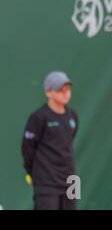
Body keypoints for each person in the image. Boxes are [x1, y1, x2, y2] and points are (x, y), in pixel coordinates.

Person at [21, 71, 78, 210]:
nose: (65, 93)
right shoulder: (38, 117)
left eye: (67, 89)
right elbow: (27, 148)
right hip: (46, 182)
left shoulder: (73, 116)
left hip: (71, 182)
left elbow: (68, 142)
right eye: (60, 90)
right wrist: (31, 172)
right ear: (48, 92)